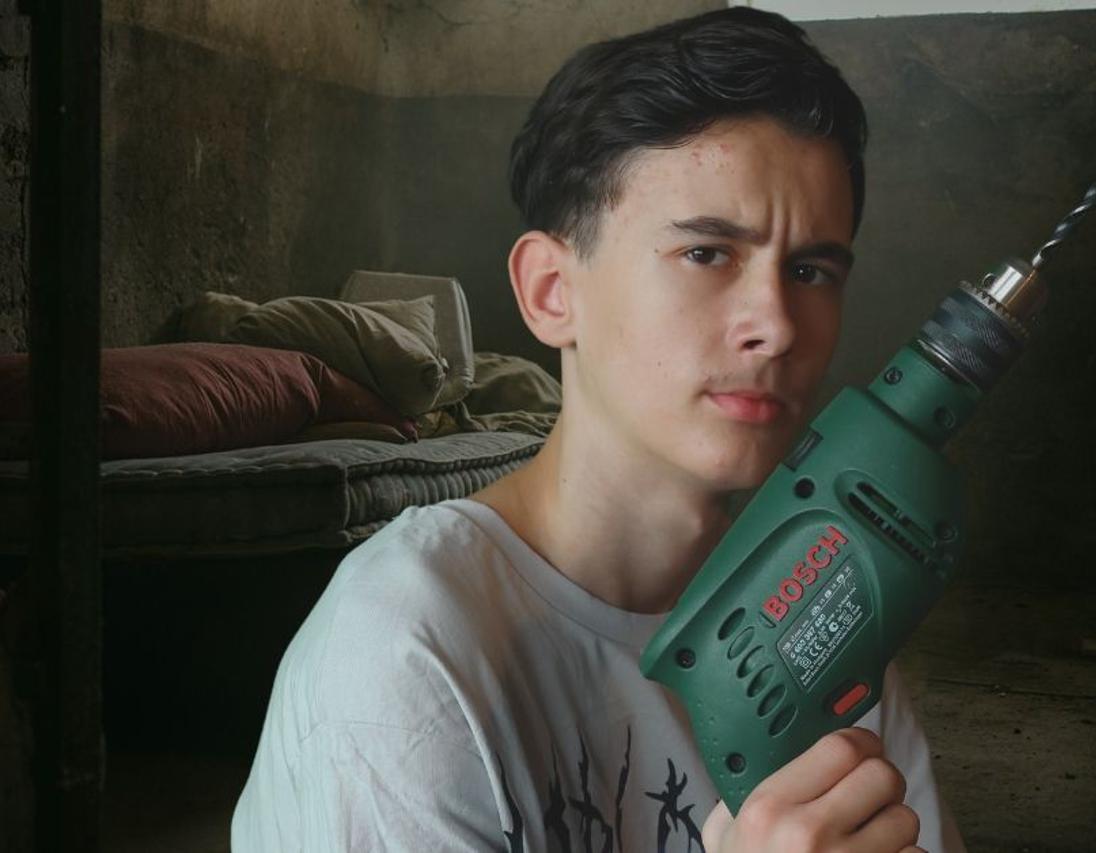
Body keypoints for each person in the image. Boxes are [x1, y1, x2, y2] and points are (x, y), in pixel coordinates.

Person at [232, 7, 965, 851]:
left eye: (809, 270)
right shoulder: (404, 649)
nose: (776, 323)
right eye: (706, 253)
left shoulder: (818, 621)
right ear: (552, 291)